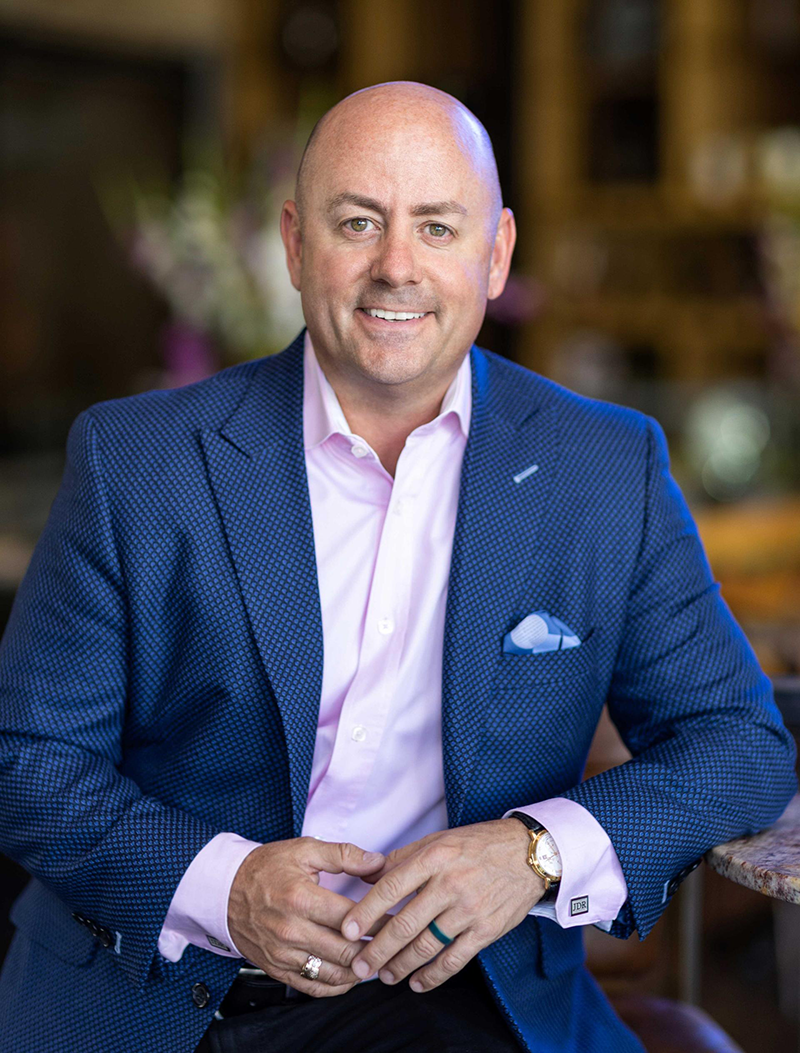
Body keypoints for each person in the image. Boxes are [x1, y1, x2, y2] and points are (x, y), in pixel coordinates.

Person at [0, 80, 795, 1053]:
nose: (396, 268)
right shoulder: (137, 460)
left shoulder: (603, 469)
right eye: (358, 223)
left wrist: (533, 854)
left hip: (459, 1000)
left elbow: (738, 743)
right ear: (295, 244)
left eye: (436, 227)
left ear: (495, 254)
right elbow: (25, 756)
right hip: (159, 999)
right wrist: (227, 886)